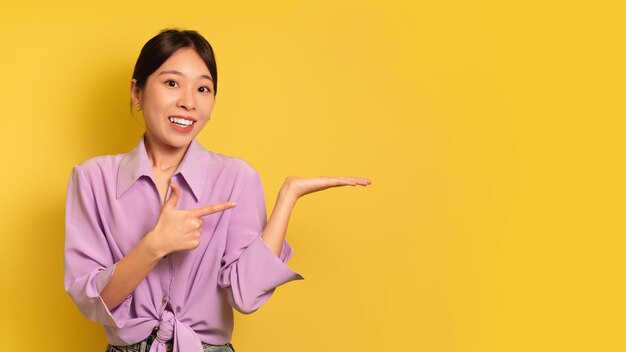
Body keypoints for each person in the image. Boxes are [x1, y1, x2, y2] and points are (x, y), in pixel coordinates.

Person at [64, 28, 371, 352]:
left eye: (203, 88)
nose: (188, 102)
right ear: (136, 92)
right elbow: (94, 303)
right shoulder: (92, 179)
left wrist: (287, 198)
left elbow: (246, 295)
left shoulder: (236, 178)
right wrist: (155, 245)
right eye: (171, 83)